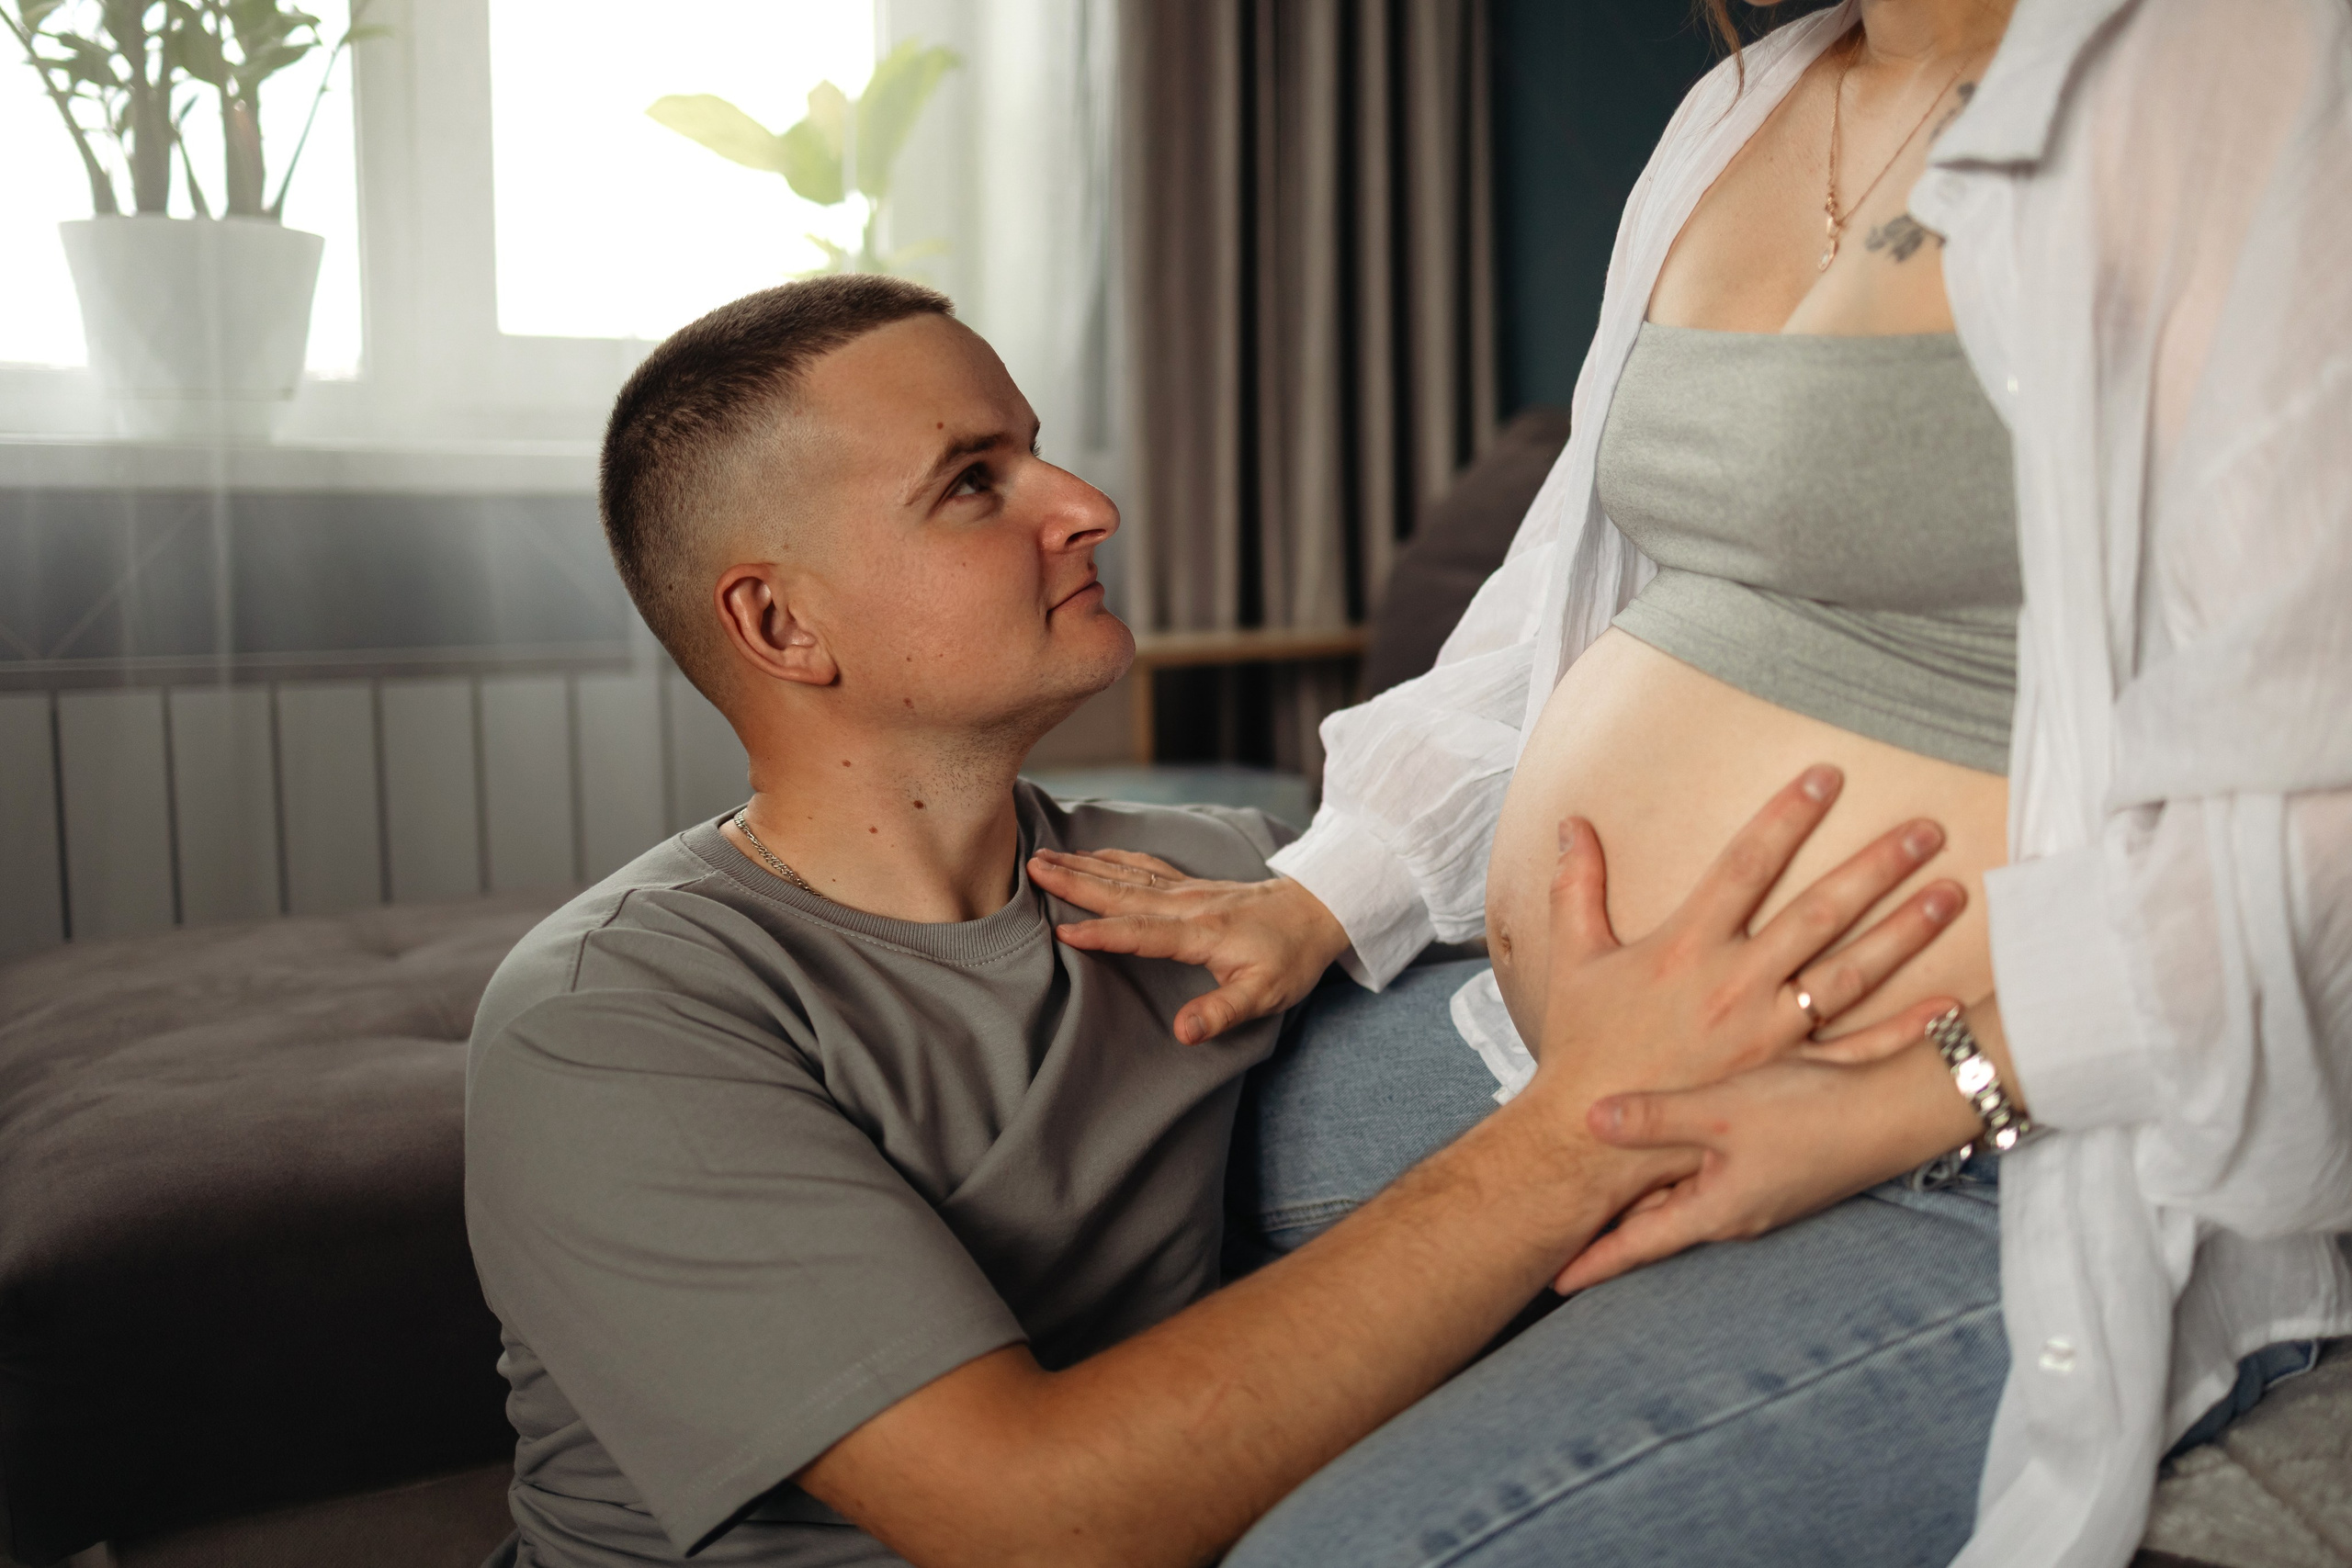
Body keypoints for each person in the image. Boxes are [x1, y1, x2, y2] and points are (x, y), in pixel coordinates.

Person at [1035, 0, 2352, 1563]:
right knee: (1063, 1205)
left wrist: (1875, 1106)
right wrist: (1333, 889)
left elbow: (2323, 786)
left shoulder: (2251, 63)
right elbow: (1562, 592)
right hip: (1576, 1054)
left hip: (1986, 1146)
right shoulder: (1749, 105)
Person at [462, 276, 1971, 1568]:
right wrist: (1581, 1125)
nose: (1087, 506)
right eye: (972, 482)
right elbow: (1025, 1526)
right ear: (781, 626)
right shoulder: (616, 1023)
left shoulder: (1208, 893)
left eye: (1037, 452)